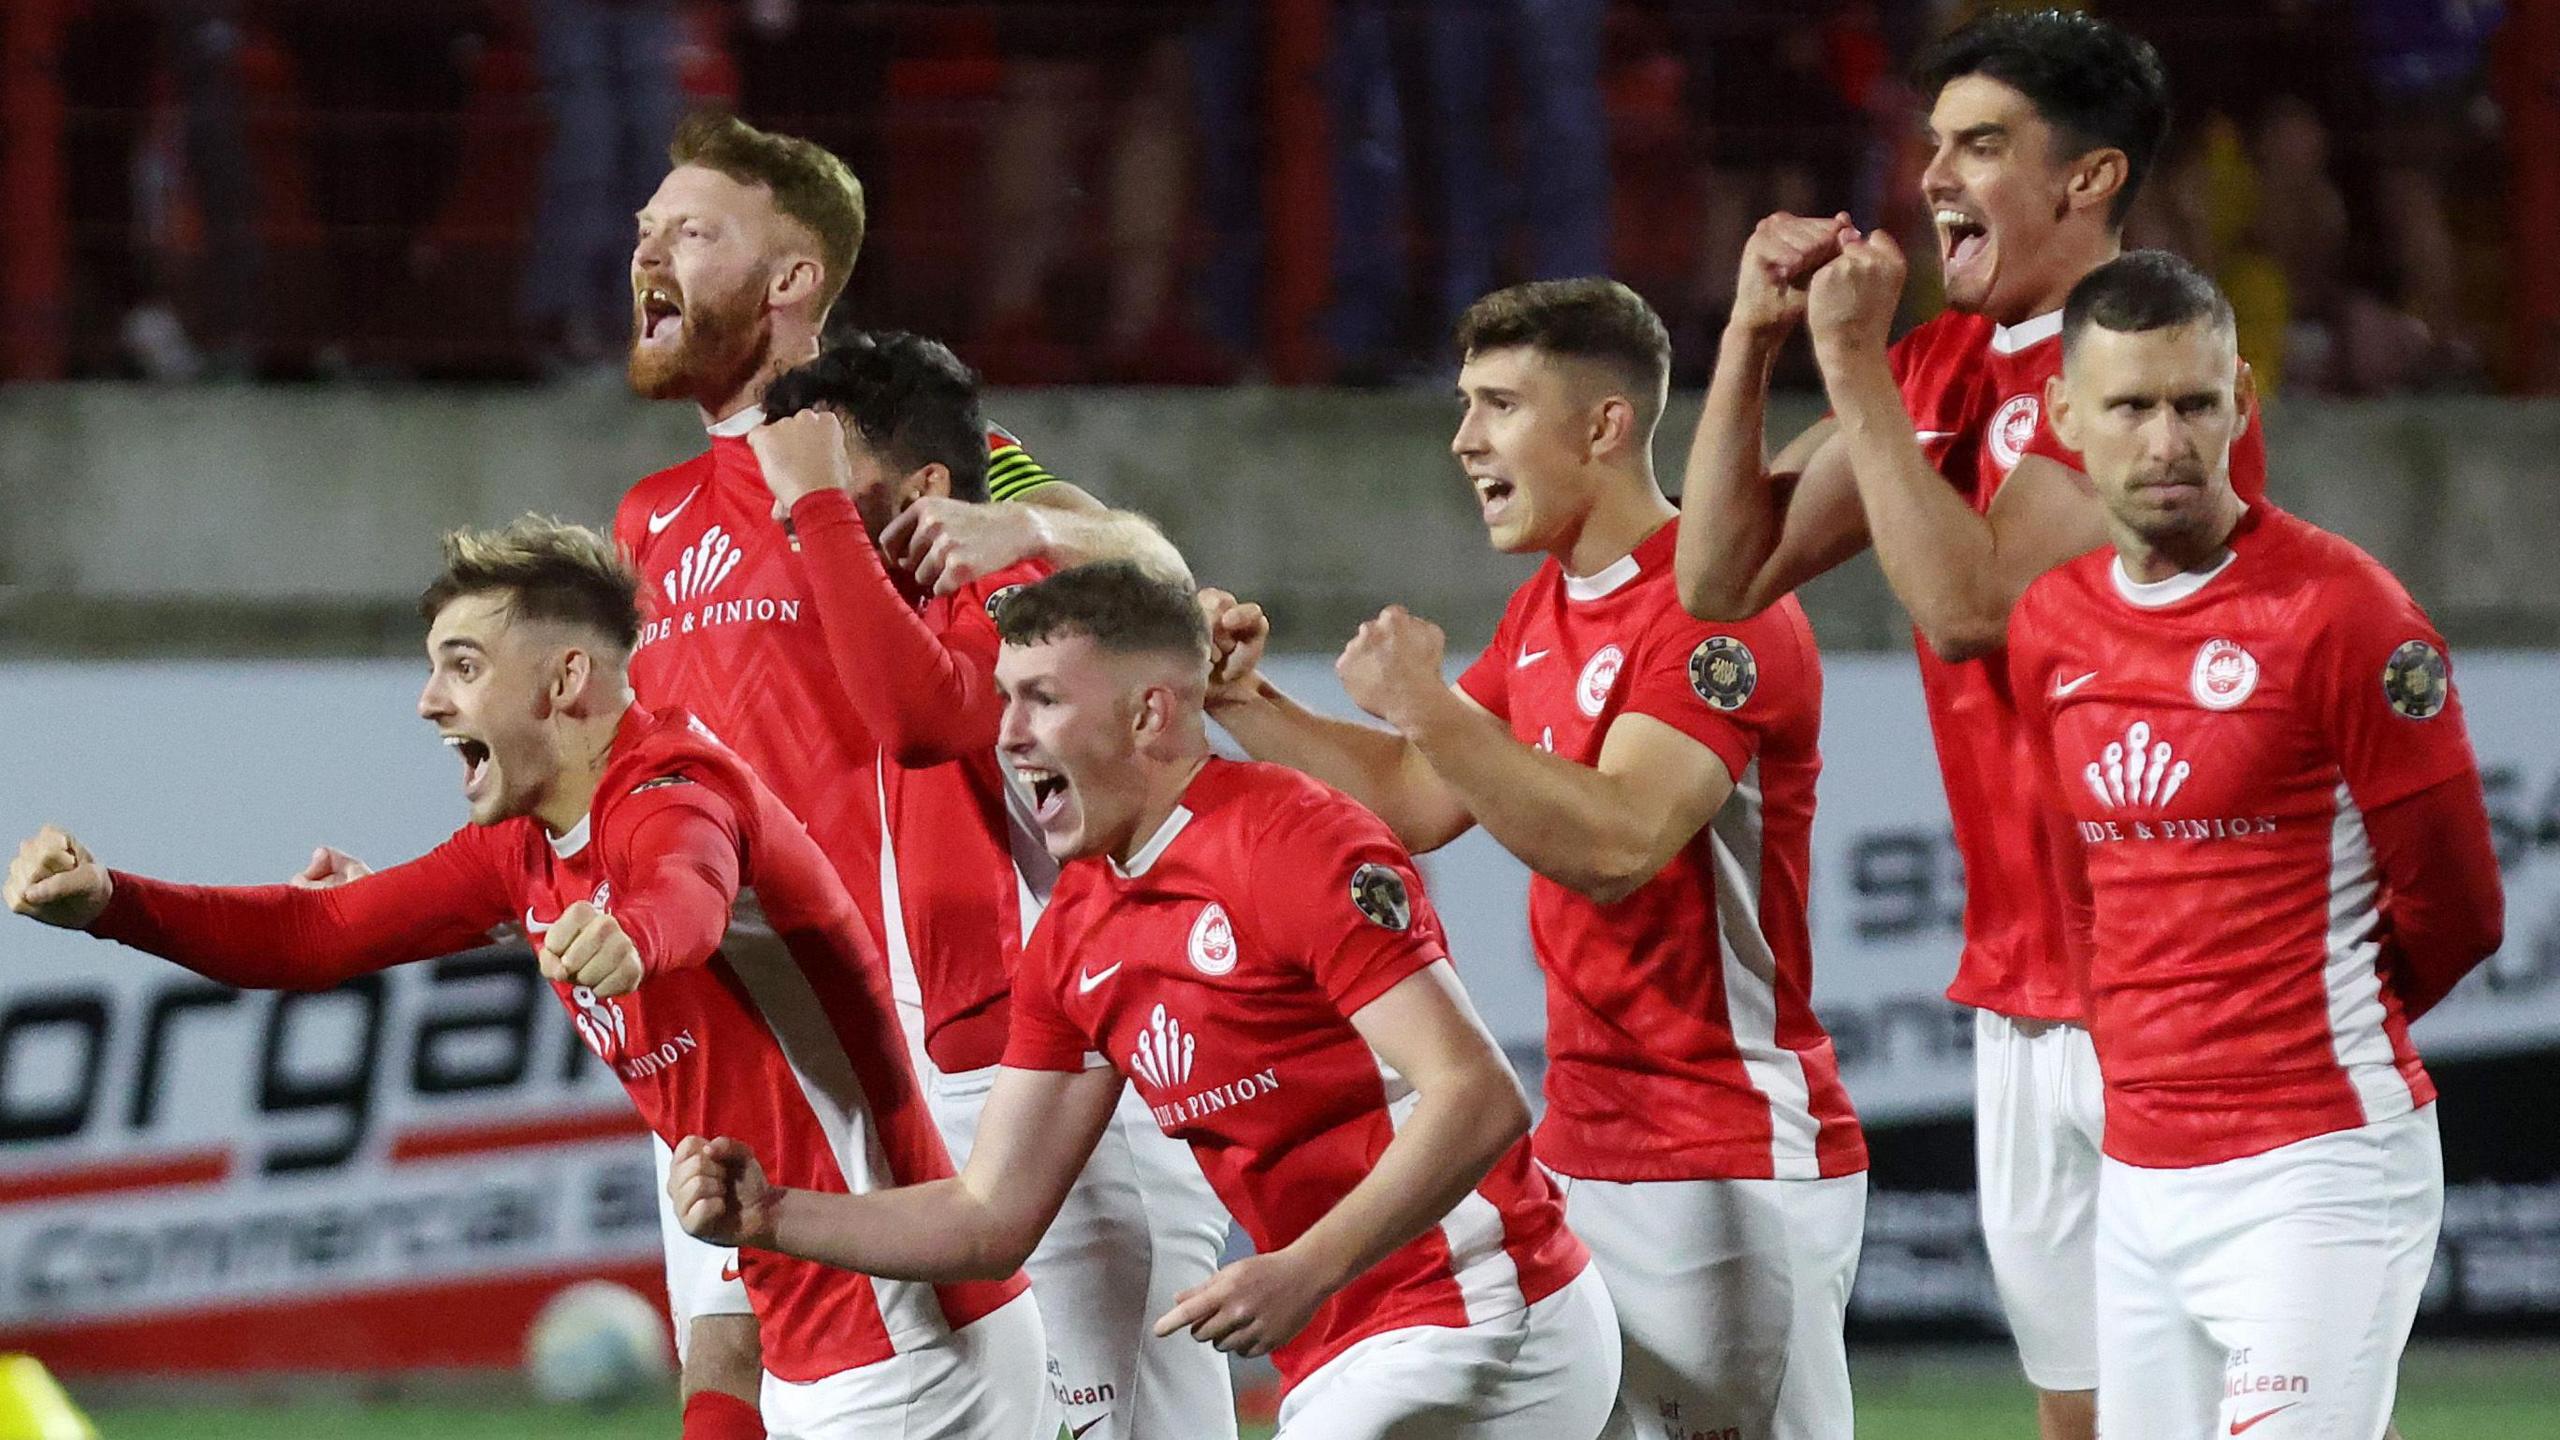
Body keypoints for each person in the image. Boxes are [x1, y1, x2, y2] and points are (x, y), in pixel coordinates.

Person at [2, 517, 1054, 1440]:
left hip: (911, 1347)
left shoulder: (677, 791)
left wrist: (633, 937)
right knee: (716, 1350)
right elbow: (317, 933)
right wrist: (112, 904)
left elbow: (683, 888)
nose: (426, 701)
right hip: (823, 1321)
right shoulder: (525, 846)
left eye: (461, 666)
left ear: (563, 683)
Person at [1674, 14, 2266, 1437]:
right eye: (1932, 141)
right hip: (2023, 991)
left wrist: (1859, 369)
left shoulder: (2147, 383)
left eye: (1980, 145)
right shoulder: (1943, 366)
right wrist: (1758, 342)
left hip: (2170, 991)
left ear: (2089, 178)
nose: (1932, 173)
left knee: (2206, 1411)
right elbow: (1715, 577)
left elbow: (1970, 610)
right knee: (2079, 1419)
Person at [667, 562, 1619, 1440]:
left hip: (1486, 1313)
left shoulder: (1296, 841)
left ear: (1150, 714)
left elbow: (1479, 1098)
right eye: (1005, 699)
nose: (1007, 734)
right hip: (1342, 1345)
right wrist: (776, 1215)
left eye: (1042, 700)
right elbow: (990, 1217)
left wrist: (1304, 1270)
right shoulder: (1077, 931)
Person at [1203, 278, 1864, 1440]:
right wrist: (1242, 699)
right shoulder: (1551, 609)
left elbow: (1618, 842)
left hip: (1724, 1159)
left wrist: (1430, 705)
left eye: (1499, 405)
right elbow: (1415, 798)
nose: (1464, 440)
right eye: (1467, 406)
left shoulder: (1718, 609)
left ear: (1604, 427)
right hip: (1583, 1143)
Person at [607, 110, 1185, 1434]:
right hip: (750, 1033)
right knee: (735, 1366)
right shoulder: (651, 518)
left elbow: (1152, 572)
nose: (647, 255)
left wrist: (1028, 518)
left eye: (691, 232)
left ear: (792, 280)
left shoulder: (906, 464)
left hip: (966, 1044)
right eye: (644, 231)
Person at [2005, 251, 2502, 1440]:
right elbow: (2087, 899)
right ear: (2066, 417)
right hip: (2137, 1180)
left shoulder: (2345, 614)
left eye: (2193, 402)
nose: (2165, 439)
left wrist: (2297, 1025)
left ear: (2242, 398)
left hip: (2317, 1172)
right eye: (2129, 407)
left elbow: (2461, 907)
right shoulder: (2048, 626)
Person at [743, 332, 1238, 1440]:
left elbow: (922, 723)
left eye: (832, 479)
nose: (797, 512)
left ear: (924, 492)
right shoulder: (914, 604)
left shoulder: (1006, 588)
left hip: (1083, 1094)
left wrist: (822, 508)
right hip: (1001, 1073)